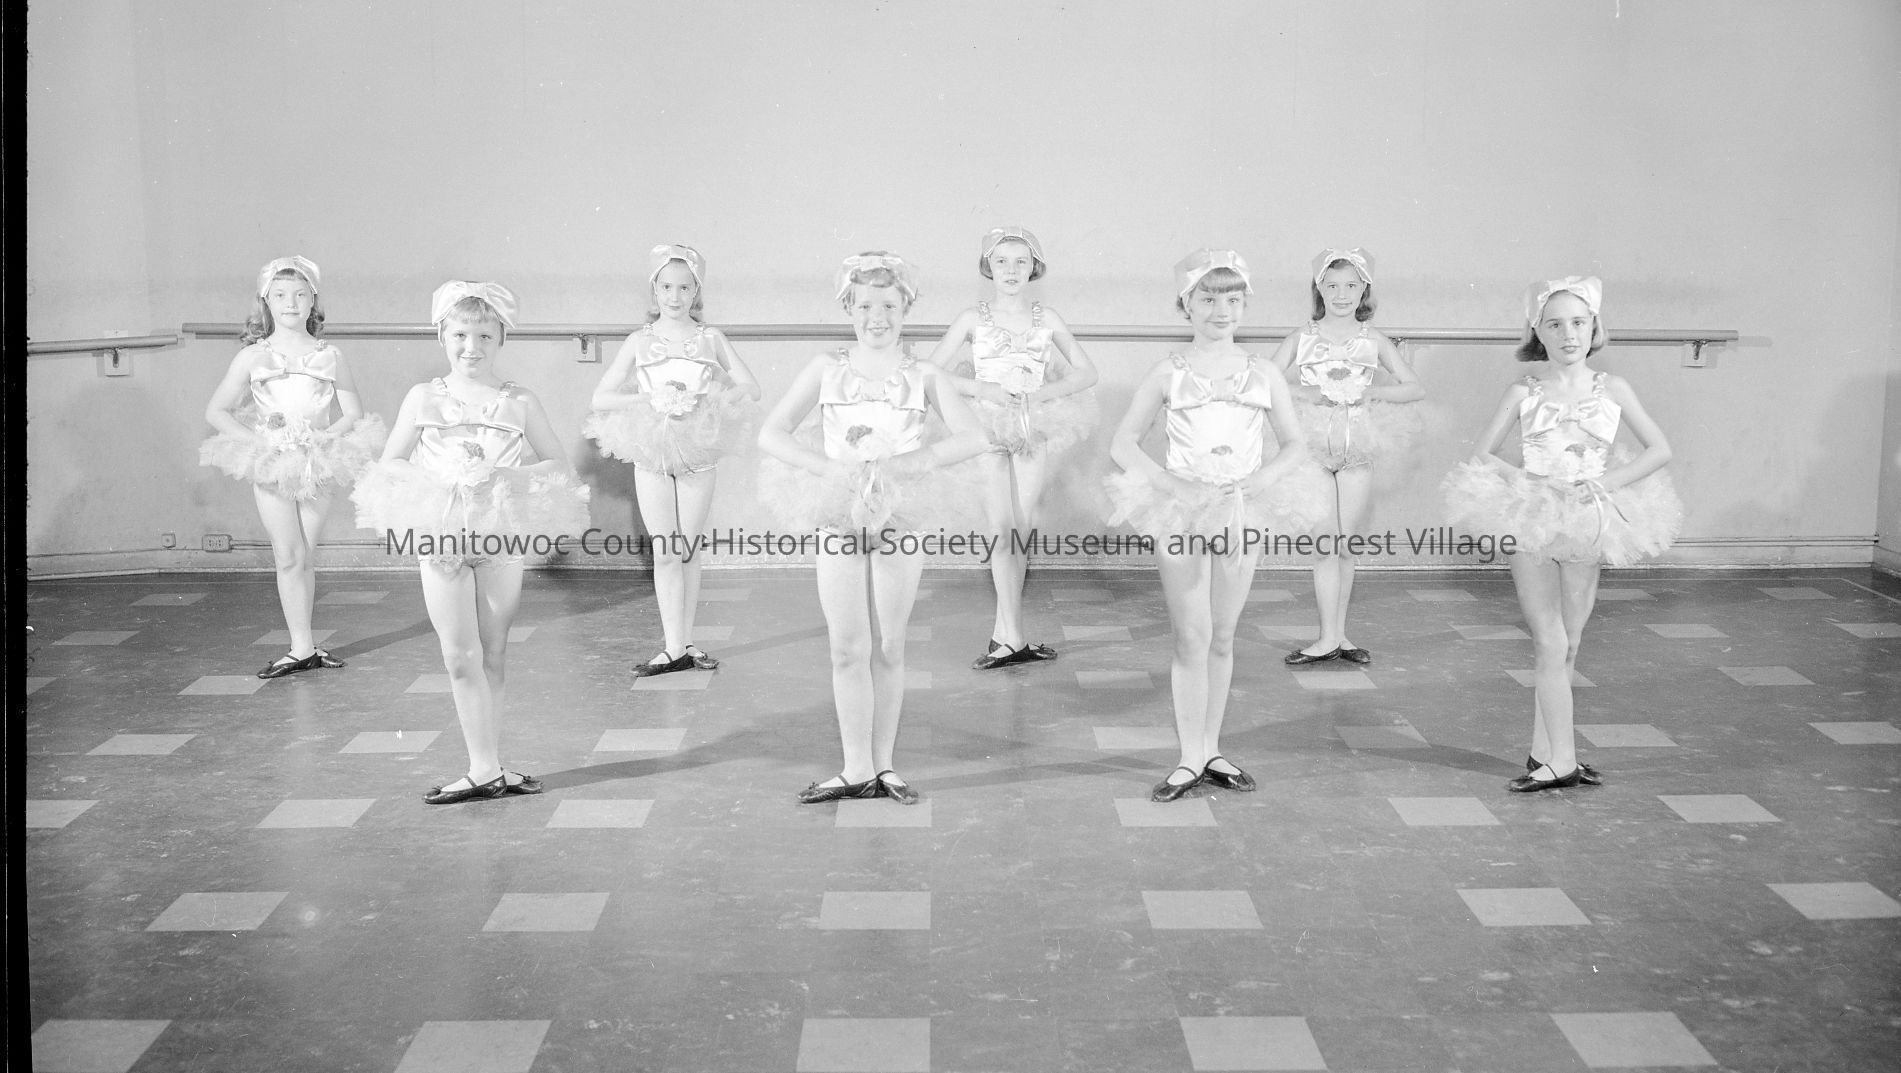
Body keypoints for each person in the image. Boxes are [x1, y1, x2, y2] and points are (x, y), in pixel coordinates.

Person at [757, 253, 987, 805]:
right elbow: (772, 433)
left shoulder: (924, 375)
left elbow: (973, 436)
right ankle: (855, 766)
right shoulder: (825, 368)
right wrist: (830, 471)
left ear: (906, 308)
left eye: (888, 305)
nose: (876, 317)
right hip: (838, 510)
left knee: (888, 641)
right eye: (864, 306)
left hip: (899, 513)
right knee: (846, 646)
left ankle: (884, 763)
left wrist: (904, 466)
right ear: (848, 308)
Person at [353, 281, 590, 804]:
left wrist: (504, 476)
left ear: (501, 337)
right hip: (441, 531)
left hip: (500, 533)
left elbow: (557, 463)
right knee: (459, 654)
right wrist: (441, 480)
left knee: (494, 650)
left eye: (484, 335)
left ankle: (489, 767)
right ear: (442, 336)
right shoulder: (423, 397)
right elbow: (391, 461)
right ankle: (482, 768)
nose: (471, 347)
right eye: (460, 334)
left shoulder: (519, 400)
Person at [1442, 277, 1682, 791]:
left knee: (1568, 645)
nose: (1568, 334)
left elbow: (1659, 449)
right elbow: (1482, 454)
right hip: (1531, 519)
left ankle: (1545, 752)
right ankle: (1564, 761)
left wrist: (1604, 484)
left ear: (1594, 326)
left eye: (1578, 322)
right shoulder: (1523, 392)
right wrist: (1533, 482)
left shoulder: (1613, 389)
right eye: (1554, 324)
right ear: (1538, 332)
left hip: (1587, 522)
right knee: (1549, 641)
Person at [1106, 250, 1327, 802]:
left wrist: (1259, 481)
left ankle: (1211, 749)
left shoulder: (1264, 372)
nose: (1220, 309)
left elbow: (1295, 444)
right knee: (1192, 634)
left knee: (1223, 634)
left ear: (1244, 304)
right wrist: (1171, 485)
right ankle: (1188, 756)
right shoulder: (1168, 373)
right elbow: (1122, 443)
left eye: (1231, 298)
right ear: (1186, 304)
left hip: (1240, 511)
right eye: (1207, 298)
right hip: (1181, 511)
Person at [201, 256, 385, 678]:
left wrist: (319, 440)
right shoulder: (253, 356)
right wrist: (263, 442)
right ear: (266, 301)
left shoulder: (330, 355)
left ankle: (306, 647)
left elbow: (353, 413)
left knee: (305, 555)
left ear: (312, 301)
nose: (291, 302)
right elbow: (217, 411)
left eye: (301, 294)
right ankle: (300, 646)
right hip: (272, 463)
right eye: (281, 295)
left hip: (318, 460)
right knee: (288, 554)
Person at [923, 227, 1098, 669]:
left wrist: (1037, 397)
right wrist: (982, 388)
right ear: (988, 267)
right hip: (986, 428)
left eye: (1021, 261)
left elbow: (1086, 372)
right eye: (1002, 261)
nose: (1011, 270)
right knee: (1002, 530)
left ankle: (1006, 636)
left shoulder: (1047, 317)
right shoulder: (972, 318)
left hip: (1032, 428)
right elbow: (929, 370)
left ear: (1034, 267)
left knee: (1020, 531)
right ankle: (1013, 637)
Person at [584, 244, 760, 676]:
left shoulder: (710, 338)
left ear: (696, 290)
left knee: (688, 548)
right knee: (665, 550)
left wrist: (709, 401)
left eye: (684, 287)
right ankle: (672, 646)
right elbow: (601, 397)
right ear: (655, 290)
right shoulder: (640, 341)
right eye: (666, 287)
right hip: (653, 449)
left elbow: (750, 387)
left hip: (697, 447)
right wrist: (650, 399)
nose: (675, 296)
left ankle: (687, 642)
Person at [1270, 248, 1424, 667]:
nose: (1341, 294)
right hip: (1312, 448)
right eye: (1332, 285)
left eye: (1351, 286)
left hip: (1357, 446)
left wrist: (1371, 392)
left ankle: (1338, 635)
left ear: (1363, 290)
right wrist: (1307, 392)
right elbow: (1263, 383)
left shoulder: (1373, 340)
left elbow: (1414, 387)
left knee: (1345, 544)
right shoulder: (1301, 338)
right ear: (1319, 289)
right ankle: (1325, 637)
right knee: (1325, 542)